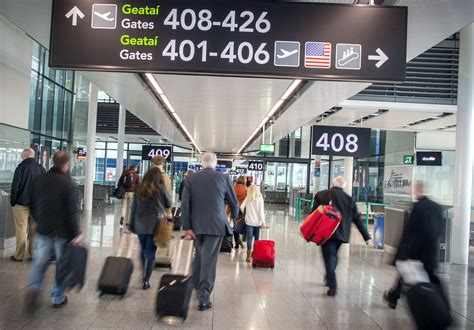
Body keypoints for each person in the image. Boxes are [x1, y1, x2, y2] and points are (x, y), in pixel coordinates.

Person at [182, 152, 239, 311]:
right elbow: (234, 203)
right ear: (215, 163)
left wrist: (187, 227)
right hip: (216, 225)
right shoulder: (223, 177)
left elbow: (185, 204)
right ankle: (203, 298)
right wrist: (235, 220)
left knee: (199, 256)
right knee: (209, 259)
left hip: (196, 226)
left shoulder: (191, 179)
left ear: (202, 163)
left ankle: (195, 288)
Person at [25, 151, 82, 309]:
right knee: (61, 265)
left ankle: (33, 290)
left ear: (52, 161)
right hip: (63, 233)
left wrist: (40, 220)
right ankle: (57, 297)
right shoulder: (68, 184)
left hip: (43, 230)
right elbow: (71, 212)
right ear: (66, 165)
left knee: (39, 263)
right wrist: (76, 233)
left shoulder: (39, 180)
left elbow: (32, 204)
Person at [384, 181, 446, 309]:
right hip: (431, 252)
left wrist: (403, 253)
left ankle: (394, 297)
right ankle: (444, 305)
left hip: (416, 252)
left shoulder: (417, 207)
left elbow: (410, 233)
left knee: (405, 275)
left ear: (417, 191)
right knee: (431, 277)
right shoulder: (437, 207)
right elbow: (439, 230)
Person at [311, 176, 371, 297]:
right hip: (341, 234)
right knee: (333, 255)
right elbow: (357, 219)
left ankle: (332, 285)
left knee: (329, 257)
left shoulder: (321, 195)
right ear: (344, 186)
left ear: (333, 183)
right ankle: (329, 276)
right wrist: (366, 236)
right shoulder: (349, 199)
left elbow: (313, 213)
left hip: (325, 233)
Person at [128, 167, 171, 290]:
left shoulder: (139, 188)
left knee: (143, 250)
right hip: (154, 225)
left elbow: (134, 208)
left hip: (140, 224)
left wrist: (131, 225)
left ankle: (143, 273)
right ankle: (146, 280)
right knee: (150, 252)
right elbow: (169, 203)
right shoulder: (159, 189)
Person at [10, 148, 45, 262]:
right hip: (36, 205)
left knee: (21, 230)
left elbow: (15, 187)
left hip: (21, 204)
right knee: (34, 230)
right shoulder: (41, 168)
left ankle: (19, 255)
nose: (21, 157)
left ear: (26, 154)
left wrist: (13, 201)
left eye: (21, 155)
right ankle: (34, 254)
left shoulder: (21, 168)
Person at [240, 185, 266, 262]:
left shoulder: (247, 199)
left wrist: (246, 214)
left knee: (249, 239)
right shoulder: (260, 199)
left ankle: (248, 257)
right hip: (257, 223)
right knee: (257, 239)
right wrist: (263, 222)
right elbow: (260, 212)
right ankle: (255, 255)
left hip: (249, 222)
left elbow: (241, 207)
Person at [230, 176, 247, 249]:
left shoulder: (233, 188)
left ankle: (237, 243)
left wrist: (227, 211)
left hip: (234, 209)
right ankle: (241, 239)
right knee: (242, 225)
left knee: (235, 226)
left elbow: (230, 200)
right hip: (242, 210)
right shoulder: (246, 189)